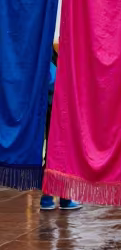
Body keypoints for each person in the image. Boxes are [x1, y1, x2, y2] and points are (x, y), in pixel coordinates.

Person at [39, 43, 81, 212]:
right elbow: (51, 81)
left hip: (50, 109)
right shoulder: (53, 51)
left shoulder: (47, 49)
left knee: (53, 153)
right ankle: (57, 199)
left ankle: (52, 198)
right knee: (61, 154)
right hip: (58, 110)